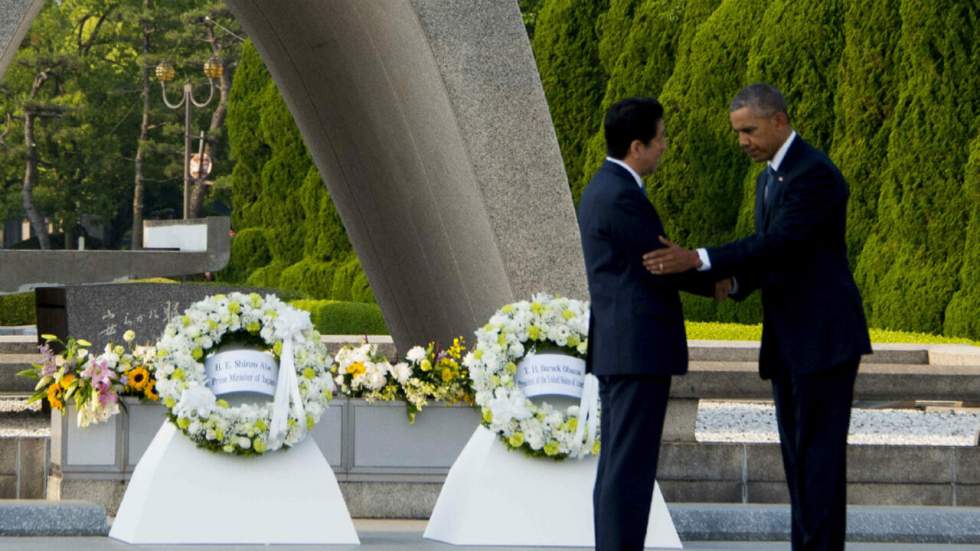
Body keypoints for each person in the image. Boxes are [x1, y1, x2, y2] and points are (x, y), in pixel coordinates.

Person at [643, 83, 871, 551]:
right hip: (790, 342)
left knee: (818, 463)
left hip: (824, 340)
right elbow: (775, 259)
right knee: (798, 463)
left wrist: (700, 259)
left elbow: (780, 243)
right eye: (737, 133)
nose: (742, 140)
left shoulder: (814, 174)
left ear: (780, 121)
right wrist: (733, 284)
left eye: (749, 130)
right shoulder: (769, 177)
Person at [577, 97, 727, 551]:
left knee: (621, 466)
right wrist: (721, 280)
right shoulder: (621, 195)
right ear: (637, 145)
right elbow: (660, 260)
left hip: (623, 349)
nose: (665, 147)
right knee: (629, 468)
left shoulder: (605, 187)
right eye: (660, 140)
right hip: (636, 350)